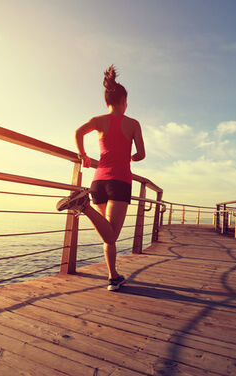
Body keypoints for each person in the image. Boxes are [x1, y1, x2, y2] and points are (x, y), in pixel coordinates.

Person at [57, 65, 145, 291]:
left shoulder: (97, 120)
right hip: (120, 181)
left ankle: (113, 276)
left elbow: (77, 132)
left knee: (107, 233)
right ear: (124, 101)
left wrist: (83, 155)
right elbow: (141, 154)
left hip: (98, 181)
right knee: (113, 234)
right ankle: (83, 206)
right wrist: (133, 158)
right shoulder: (133, 124)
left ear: (107, 101)